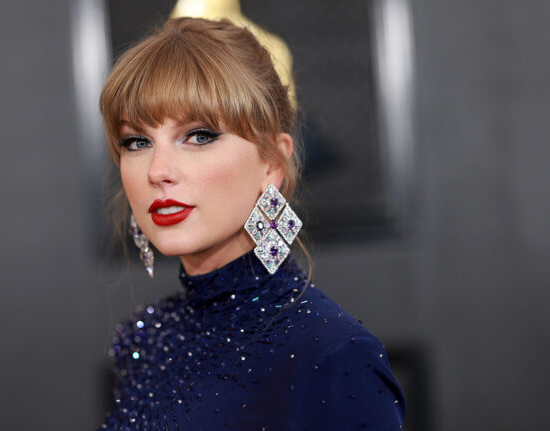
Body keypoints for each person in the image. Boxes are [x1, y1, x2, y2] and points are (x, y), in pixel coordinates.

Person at [98, 16, 405, 430]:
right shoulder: (145, 339)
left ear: (272, 163)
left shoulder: (334, 354)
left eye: (200, 135)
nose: (158, 170)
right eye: (137, 142)